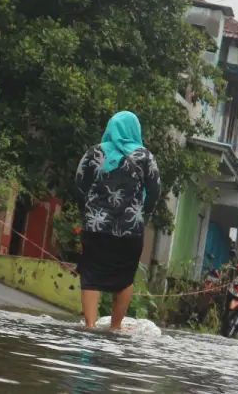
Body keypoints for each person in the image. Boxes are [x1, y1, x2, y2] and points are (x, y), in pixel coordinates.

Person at [72, 111, 161, 331]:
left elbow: (79, 186)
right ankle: (115, 326)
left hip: (95, 227)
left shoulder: (94, 153)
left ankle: (90, 325)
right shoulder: (145, 157)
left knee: (91, 275)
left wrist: (88, 214)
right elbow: (155, 191)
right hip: (130, 230)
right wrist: (144, 215)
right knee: (124, 277)